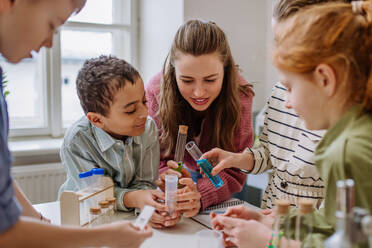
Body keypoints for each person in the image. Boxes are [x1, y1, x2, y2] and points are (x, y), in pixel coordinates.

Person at [211, 0, 372, 247]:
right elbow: (332, 224)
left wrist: (270, 242)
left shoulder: (349, 151)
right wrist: (272, 221)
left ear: (324, 79)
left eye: (291, 88)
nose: (287, 102)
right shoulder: (350, 136)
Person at [0, 1, 152, 247]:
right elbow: (6, 232)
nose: (49, 42)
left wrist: (39, 221)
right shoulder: (78, 139)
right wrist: (109, 235)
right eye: (51, 24)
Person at [146, 19, 254, 219]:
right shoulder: (155, 91)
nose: (198, 92)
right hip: (183, 172)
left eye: (210, 80)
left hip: (224, 179)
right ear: (173, 72)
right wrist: (169, 180)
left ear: (226, 70)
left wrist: (202, 195)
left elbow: (235, 169)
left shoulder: (241, 95)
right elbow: (159, 158)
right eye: (186, 80)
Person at [58, 55, 178, 229]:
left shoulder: (147, 128)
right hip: (87, 217)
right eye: (130, 110)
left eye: (144, 101)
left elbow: (145, 182)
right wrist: (135, 199)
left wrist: (148, 207)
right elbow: (93, 195)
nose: (144, 113)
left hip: (129, 217)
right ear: (97, 120)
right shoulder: (77, 142)